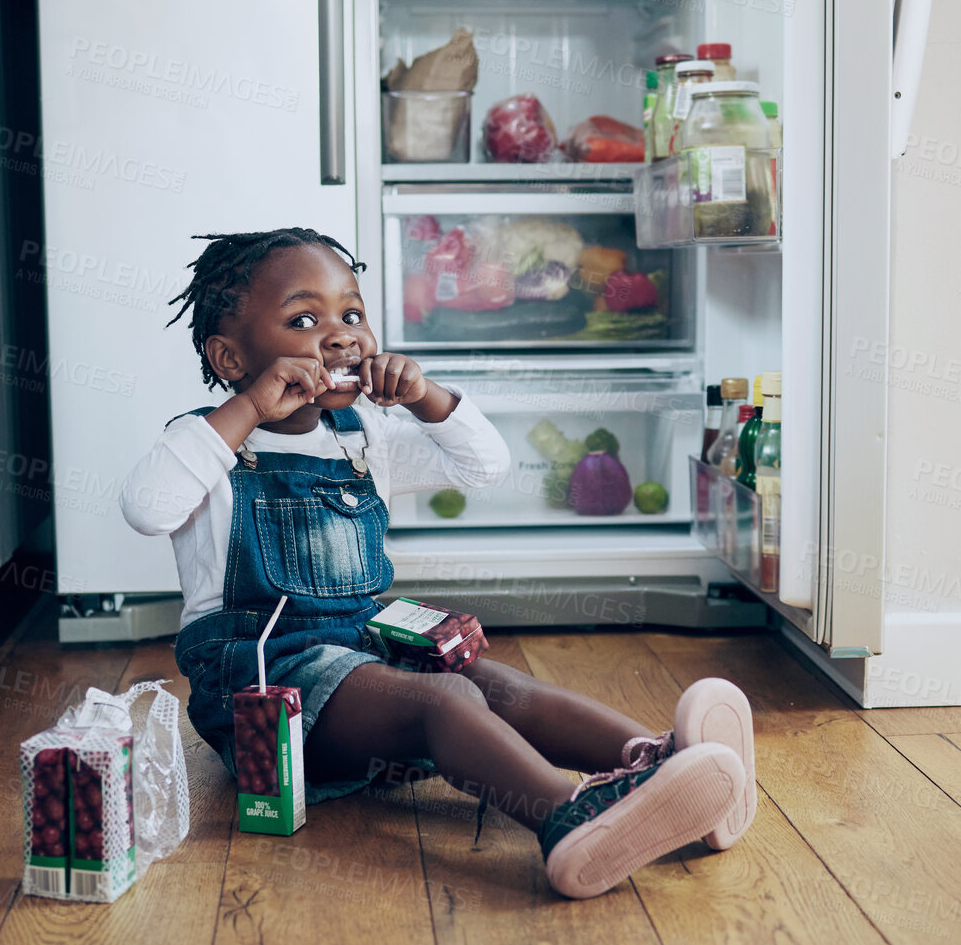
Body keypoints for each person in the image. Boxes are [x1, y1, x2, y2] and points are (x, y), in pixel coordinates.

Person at [120, 228, 757, 898]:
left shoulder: (364, 438)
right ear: (229, 356)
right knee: (445, 698)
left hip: (364, 657)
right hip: (264, 691)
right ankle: (566, 819)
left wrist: (426, 397)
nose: (340, 337)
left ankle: (665, 767)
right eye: (304, 320)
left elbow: (484, 465)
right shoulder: (208, 446)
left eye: (353, 315)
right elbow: (146, 506)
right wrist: (247, 408)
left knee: (492, 683)